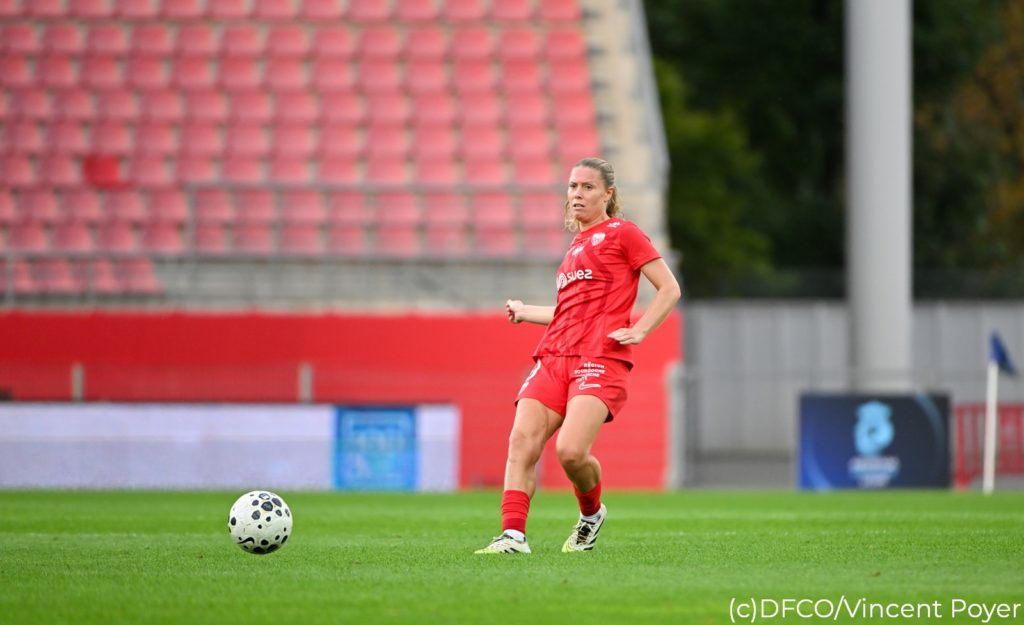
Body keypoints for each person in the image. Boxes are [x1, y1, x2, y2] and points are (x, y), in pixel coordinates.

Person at [475, 157, 681, 554]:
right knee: (521, 441)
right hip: (554, 356)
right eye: (573, 186)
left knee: (570, 452)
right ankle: (513, 536)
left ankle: (591, 514)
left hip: (600, 358)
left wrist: (640, 329)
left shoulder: (623, 233)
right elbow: (568, 312)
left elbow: (669, 288)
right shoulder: (574, 248)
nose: (577, 194)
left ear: (608, 194)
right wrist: (525, 311)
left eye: (588, 187)